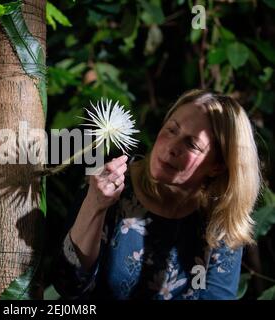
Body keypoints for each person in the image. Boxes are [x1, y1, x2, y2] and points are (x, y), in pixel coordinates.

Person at [51, 89, 262, 300]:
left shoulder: (220, 222)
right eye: (172, 129)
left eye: (192, 144)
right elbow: (68, 284)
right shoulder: (109, 186)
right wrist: (94, 206)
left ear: (217, 166)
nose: (171, 147)